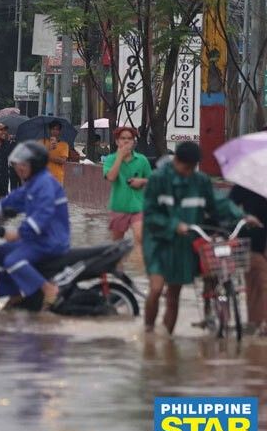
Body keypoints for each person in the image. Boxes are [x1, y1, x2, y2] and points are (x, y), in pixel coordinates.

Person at [142, 142, 257, 335]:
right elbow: (150, 214)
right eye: (186, 167)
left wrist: (241, 216)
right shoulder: (157, 179)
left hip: (184, 244)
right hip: (158, 242)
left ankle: (166, 341)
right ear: (176, 161)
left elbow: (219, 203)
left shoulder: (200, 181)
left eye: (192, 168)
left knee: (174, 294)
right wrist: (173, 225)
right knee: (156, 288)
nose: (189, 172)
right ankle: (148, 331)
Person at [0, 141, 69, 310]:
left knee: (13, 260)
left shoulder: (45, 184)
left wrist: (19, 233)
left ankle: (49, 290)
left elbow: (43, 214)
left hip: (50, 240)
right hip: (38, 239)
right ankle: (14, 295)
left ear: (34, 165)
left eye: (22, 164)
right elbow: (12, 200)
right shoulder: (33, 183)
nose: (18, 168)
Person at [103, 126, 152, 246]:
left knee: (140, 237)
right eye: (123, 138)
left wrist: (142, 181)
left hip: (138, 207)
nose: (126, 141)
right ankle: (120, 265)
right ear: (117, 141)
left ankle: (138, 264)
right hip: (119, 206)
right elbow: (111, 177)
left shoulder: (142, 160)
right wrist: (119, 157)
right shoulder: (110, 159)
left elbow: (152, 180)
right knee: (117, 244)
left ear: (133, 141)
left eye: (129, 139)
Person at [229, 185, 267, 335]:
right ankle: (258, 326)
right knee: (258, 283)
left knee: (257, 285)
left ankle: (257, 326)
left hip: (256, 243)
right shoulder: (247, 184)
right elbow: (229, 205)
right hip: (253, 243)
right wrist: (243, 217)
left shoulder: (247, 182)